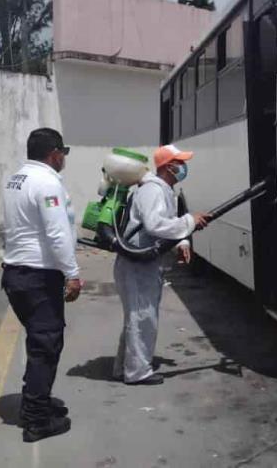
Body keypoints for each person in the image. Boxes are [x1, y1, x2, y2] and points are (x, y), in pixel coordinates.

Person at [2, 128, 82, 443]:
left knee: (40, 342)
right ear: (54, 154)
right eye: (63, 153)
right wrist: (72, 273)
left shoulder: (16, 178)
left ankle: (38, 403)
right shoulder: (48, 182)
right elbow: (57, 232)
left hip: (16, 273)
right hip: (38, 276)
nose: (63, 159)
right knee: (45, 346)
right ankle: (36, 420)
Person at [113, 144, 208, 385]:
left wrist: (182, 242)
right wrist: (189, 221)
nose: (184, 167)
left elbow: (166, 223)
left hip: (142, 262)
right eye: (180, 163)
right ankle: (137, 372)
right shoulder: (153, 190)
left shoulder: (163, 189)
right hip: (136, 264)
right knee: (142, 317)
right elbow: (155, 225)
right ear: (168, 167)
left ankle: (124, 367)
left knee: (137, 316)